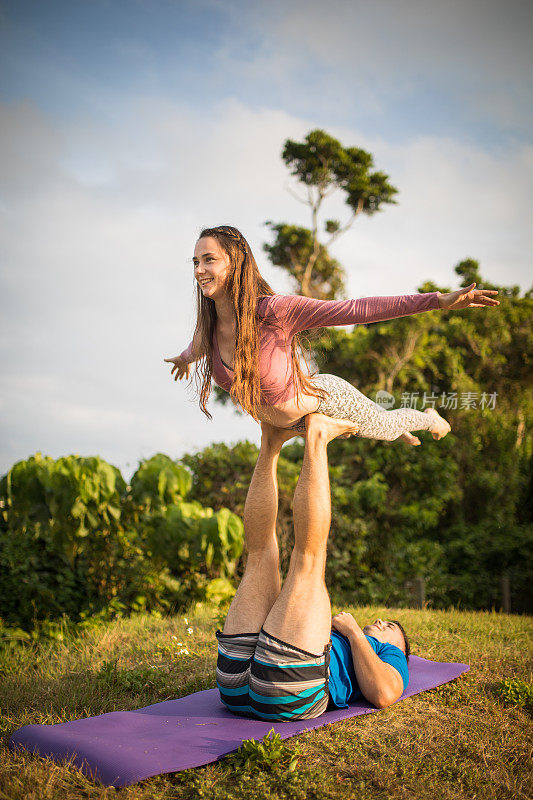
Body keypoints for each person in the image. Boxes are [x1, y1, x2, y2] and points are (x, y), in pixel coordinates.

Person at [164, 225, 499, 445]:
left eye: (209, 260)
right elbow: (195, 350)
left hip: (327, 396)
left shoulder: (274, 311)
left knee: (385, 426)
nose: (198, 271)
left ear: (235, 262)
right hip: (293, 424)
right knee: (385, 430)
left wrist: (437, 301)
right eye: (195, 262)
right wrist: (183, 359)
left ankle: (431, 422)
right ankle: (401, 432)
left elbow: (357, 309)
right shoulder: (207, 333)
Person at [215, 414, 409, 721]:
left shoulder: (390, 655)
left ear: (400, 649)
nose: (384, 622)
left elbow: (384, 693)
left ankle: (317, 437)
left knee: (309, 560)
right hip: (233, 684)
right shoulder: (348, 639)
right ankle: (270, 441)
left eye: (393, 629)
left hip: (288, 689)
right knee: (260, 556)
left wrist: (355, 632)